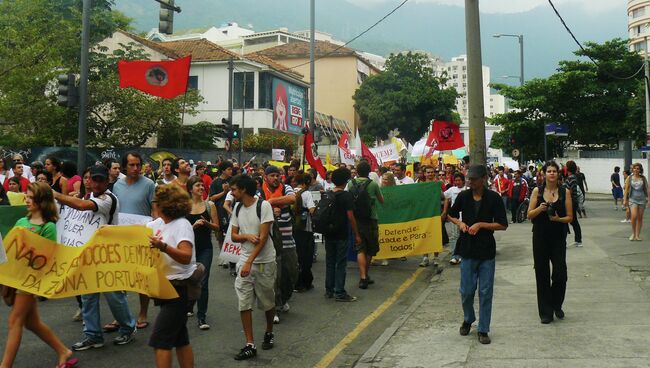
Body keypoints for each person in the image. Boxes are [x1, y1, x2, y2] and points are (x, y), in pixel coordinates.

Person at [53, 164, 137, 351]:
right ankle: (92, 335)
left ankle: (128, 328)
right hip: (88, 256)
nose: (96, 183)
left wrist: (56, 195)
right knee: (88, 297)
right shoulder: (88, 196)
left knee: (114, 296)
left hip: (107, 257)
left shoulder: (108, 199)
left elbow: (82, 207)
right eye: (93, 179)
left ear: (107, 181)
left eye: (100, 180)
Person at [1, 182, 78, 368]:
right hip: (17, 278)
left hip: (30, 281)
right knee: (32, 323)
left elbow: (47, 258)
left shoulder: (48, 227)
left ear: (41, 200)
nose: (26, 200)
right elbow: (10, 250)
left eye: (30, 197)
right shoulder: (21, 222)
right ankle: (63, 351)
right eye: (26, 196)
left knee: (15, 321)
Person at [447, 164, 508, 345]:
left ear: (483, 179)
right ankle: (468, 318)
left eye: (473, 179)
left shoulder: (494, 198)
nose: (470, 182)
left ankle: (483, 328)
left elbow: (503, 224)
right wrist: (459, 223)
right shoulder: (464, 196)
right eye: (469, 179)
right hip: (467, 248)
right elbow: (449, 214)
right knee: (466, 290)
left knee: (485, 291)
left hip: (486, 250)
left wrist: (481, 224)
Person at [147, 184, 197, 368]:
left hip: (179, 289)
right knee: (180, 338)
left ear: (165, 205)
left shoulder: (182, 225)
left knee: (160, 340)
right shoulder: (159, 223)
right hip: (167, 289)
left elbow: (186, 256)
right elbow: (135, 231)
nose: (154, 204)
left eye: (156, 201)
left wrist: (164, 247)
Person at [229, 174, 277, 360]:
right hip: (244, 260)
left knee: (267, 300)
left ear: (243, 190)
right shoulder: (238, 207)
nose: (231, 193)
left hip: (264, 261)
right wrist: (246, 237)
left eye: (234, 189)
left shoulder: (263, 206)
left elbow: (263, 238)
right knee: (244, 301)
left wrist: (250, 260)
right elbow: (233, 235)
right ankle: (250, 343)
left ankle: (269, 331)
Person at [111, 152, 156, 330]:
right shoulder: (116, 186)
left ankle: (143, 313)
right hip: (121, 237)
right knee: (119, 278)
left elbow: (154, 209)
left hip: (142, 237)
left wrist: (156, 229)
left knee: (141, 276)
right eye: (131, 165)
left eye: (138, 164)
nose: (136, 168)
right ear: (124, 167)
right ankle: (120, 315)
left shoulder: (149, 184)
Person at [527, 161, 573, 324]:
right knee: (542, 273)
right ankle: (545, 312)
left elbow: (570, 217)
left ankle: (556, 303)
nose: (552, 173)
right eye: (549, 171)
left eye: (554, 171)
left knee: (560, 273)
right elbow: (529, 215)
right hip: (540, 235)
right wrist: (540, 208)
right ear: (544, 174)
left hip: (558, 236)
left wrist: (558, 219)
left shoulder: (564, 191)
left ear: (558, 174)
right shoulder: (537, 191)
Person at [260, 166, 298, 322]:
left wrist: (271, 202)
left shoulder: (286, 188)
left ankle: (284, 298)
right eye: (272, 175)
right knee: (275, 276)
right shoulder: (259, 192)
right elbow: (258, 209)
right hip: (270, 240)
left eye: (278, 175)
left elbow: (292, 199)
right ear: (266, 177)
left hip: (288, 240)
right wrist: (269, 209)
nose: (276, 178)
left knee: (292, 272)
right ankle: (274, 307)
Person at [185, 176, 219, 329]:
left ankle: (202, 317)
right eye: (197, 185)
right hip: (188, 248)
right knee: (190, 279)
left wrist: (206, 223)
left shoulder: (209, 204)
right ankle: (189, 304)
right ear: (190, 188)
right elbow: (180, 228)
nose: (201, 188)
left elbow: (217, 227)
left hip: (206, 248)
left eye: (202, 185)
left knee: (203, 282)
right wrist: (192, 227)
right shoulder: (184, 206)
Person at [324, 168, 361, 302]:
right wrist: (357, 234)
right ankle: (339, 291)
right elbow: (350, 217)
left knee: (330, 261)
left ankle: (329, 289)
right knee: (340, 263)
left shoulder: (328, 194)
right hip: (341, 233)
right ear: (346, 180)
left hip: (328, 233)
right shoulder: (346, 196)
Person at [347, 161, 384, 289]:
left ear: (357, 171)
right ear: (369, 172)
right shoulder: (373, 184)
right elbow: (381, 200)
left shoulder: (351, 183)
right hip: (371, 219)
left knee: (360, 248)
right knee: (370, 249)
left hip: (356, 220)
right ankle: (366, 275)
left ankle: (362, 277)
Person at [291, 173, 317, 292]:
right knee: (306, 257)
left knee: (296, 256)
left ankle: (296, 282)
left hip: (293, 228)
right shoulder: (306, 194)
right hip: (305, 228)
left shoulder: (291, 192)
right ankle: (304, 282)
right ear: (306, 182)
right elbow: (312, 210)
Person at [443, 172, 466, 265]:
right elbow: (444, 197)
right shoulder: (452, 189)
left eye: (459, 180)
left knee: (463, 237)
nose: (457, 182)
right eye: (456, 180)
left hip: (465, 217)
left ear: (463, 180)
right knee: (454, 237)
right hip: (454, 217)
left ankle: (462, 255)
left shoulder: (467, 189)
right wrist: (445, 211)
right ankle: (454, 256)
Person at [623, 163, 649, 241]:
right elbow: (626, 189)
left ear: (640, 170)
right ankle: (633, 233)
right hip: (632, 200)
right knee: (634, 216)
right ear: (632, 169)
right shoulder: (629, 178)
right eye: (634, 168)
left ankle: (637, 235)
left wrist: (649, 200)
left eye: (638, 168)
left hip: (642, 199)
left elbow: (647, 189)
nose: (636, 170)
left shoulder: (643, 178)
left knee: (640, 218)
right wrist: (624, 200)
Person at [564, 161, 582, 247]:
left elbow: (570, 190)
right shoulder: (571, 177)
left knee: (570, 221)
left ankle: (577, 240)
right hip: (572, 201)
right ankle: (578, 240)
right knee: (573, 221)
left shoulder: (571, 178)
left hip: (570, 202)